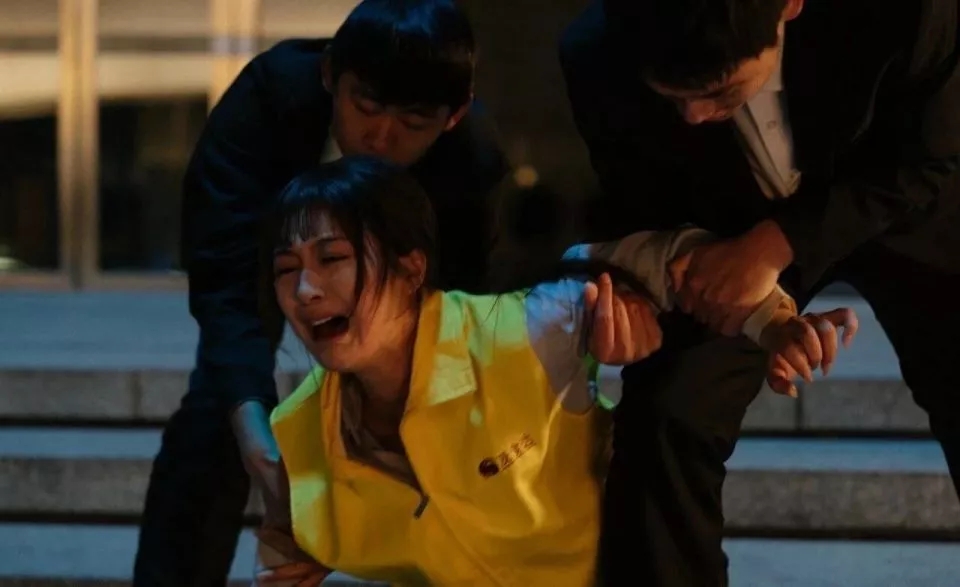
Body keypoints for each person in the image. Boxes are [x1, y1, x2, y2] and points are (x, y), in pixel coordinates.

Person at [250, 156, 856, 586]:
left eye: (333, 258)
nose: (305, 290)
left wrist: (776, 325)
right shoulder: (298, 433)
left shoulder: (521, 332)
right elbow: (284, 548)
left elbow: (666, 264)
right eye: (285, 270)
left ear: (411, 269)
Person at [559, 0, 960, 584]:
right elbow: (649, 214)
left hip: (902, 203)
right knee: (668, 412)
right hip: (722, 233)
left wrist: (777, 245)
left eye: (720, 91)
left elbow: (931, 155)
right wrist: (761, 317)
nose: (694, 116)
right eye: (673, 97)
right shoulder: (596, 54)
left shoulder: (908, 11)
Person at [132, 1, 523, 584]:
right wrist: (258, 439)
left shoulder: (471, 159)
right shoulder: (268, 102)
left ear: (454, 115)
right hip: (264, 253)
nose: (381, 137)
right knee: (218, 414)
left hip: (402, 291)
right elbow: (227, 283)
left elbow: (461, 308)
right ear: (329, 75)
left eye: (413, 123)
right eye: (365, 108)